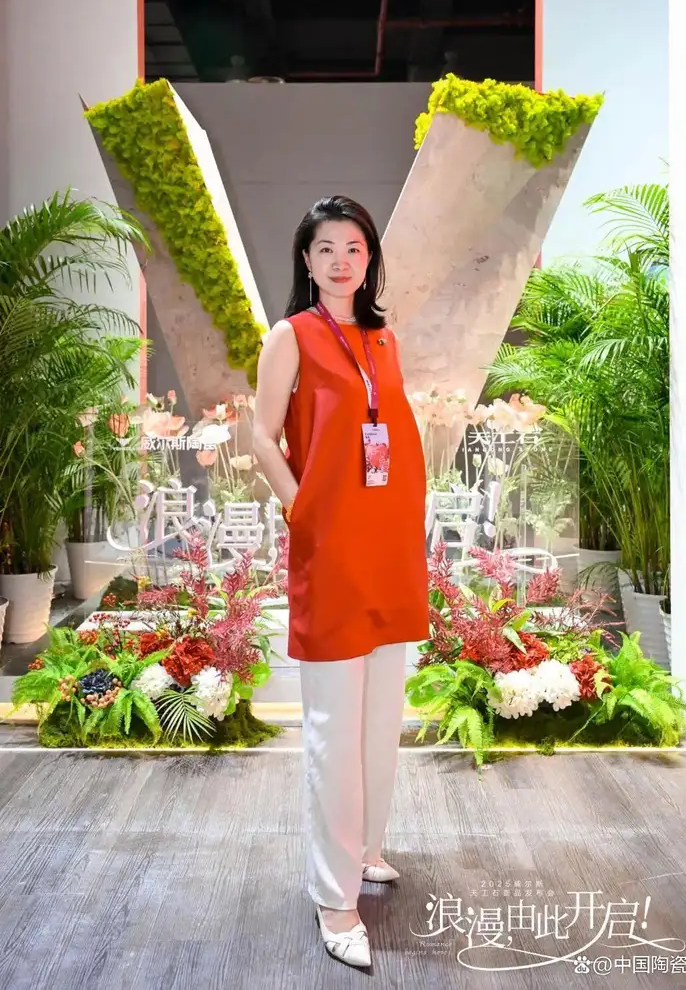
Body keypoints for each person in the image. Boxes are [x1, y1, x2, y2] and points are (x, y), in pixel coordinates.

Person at [252, 195, 429, 968]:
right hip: (331, 551)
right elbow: (261, 436)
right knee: (332, 726)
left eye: (354, 248)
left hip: (390, 549)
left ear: (369, 259)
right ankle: (334, 897)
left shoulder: (383, 337)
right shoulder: (290, 336)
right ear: (306, 259)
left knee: (381, 716)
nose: (340, 260)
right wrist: (304, 510)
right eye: (326, 248)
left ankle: (364, 848)